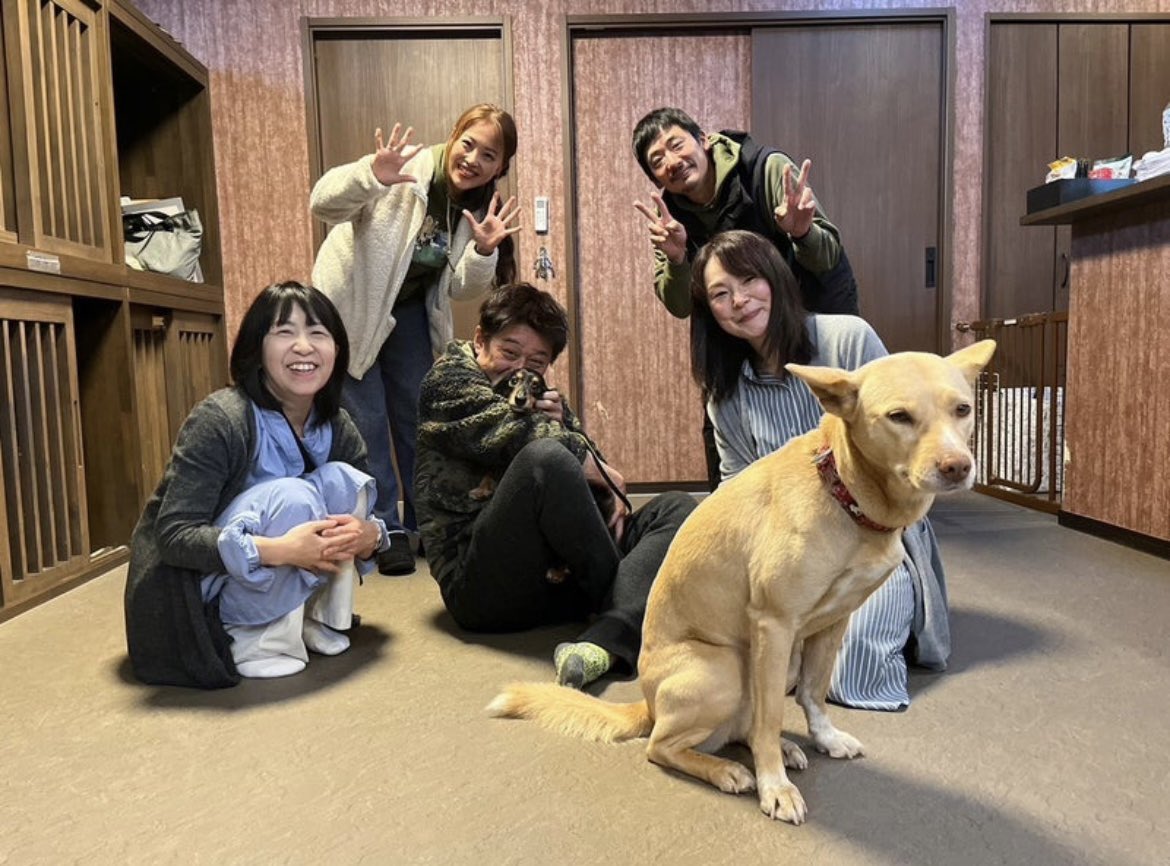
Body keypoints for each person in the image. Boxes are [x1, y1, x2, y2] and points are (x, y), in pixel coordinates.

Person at [690, 230, 949, 710]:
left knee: (851, 672)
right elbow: (735, 487)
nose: (739, 301)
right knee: (742, 637)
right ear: (709, 311)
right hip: (787, 547)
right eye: (720, 294)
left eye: (748, 280)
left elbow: (909, 437)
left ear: (775, 278)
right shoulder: (726, 392)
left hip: (871, 535)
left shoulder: (847, 338)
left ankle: (900, 608)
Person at [414, 283, 697, 689]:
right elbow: (517, 438)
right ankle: (628, 604)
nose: (519, 368)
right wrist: (588, 460)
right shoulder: (447, 380)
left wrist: (565, 424)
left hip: (560, 579)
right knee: (545, 459)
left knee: (677, 507)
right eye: (509, 352)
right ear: (479, 340)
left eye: (536, 361)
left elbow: (591, 476)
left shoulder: (543, 394)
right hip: (483, 586)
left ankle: (605, 638)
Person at [124, 281, 388, 687]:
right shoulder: (222, 419)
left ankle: (309, 618)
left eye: (317, 333)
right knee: (293, 496)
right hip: (197, 591)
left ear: (336, 349)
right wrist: (280, 550)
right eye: (285, 332)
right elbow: (174, 536)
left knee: (343, 481)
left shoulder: (336, 424)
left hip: (273, 571)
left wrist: (369, 535)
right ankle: (251, 639)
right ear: (257, 349)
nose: (304, 346)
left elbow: (365, 520)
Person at [311, 104, 521, 576]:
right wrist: (370, 175)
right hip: (353, 306)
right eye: (468, 144)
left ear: (500, 167)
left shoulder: (477, 206)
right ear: (454, 135)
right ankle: (385, 531)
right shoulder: (405, 171)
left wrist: (483, 249)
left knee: (418, 417)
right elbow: (322, 204)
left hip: (407, 311)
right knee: (366, 421)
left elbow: (461, 288)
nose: (473, 159)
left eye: (489, 155)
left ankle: (427, 522)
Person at [631, 106, 859, 489]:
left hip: (809, 305)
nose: (671, 161)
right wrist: (678, 260)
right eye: (657, 160)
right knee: (721, 412)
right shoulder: (668, 220)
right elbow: (680, 305)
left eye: (676, 144)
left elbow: (827, 256)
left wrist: (801, 233)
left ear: (704, 140)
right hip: (738, 328)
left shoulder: (765, 169)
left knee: (832, 413)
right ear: (655, 177)